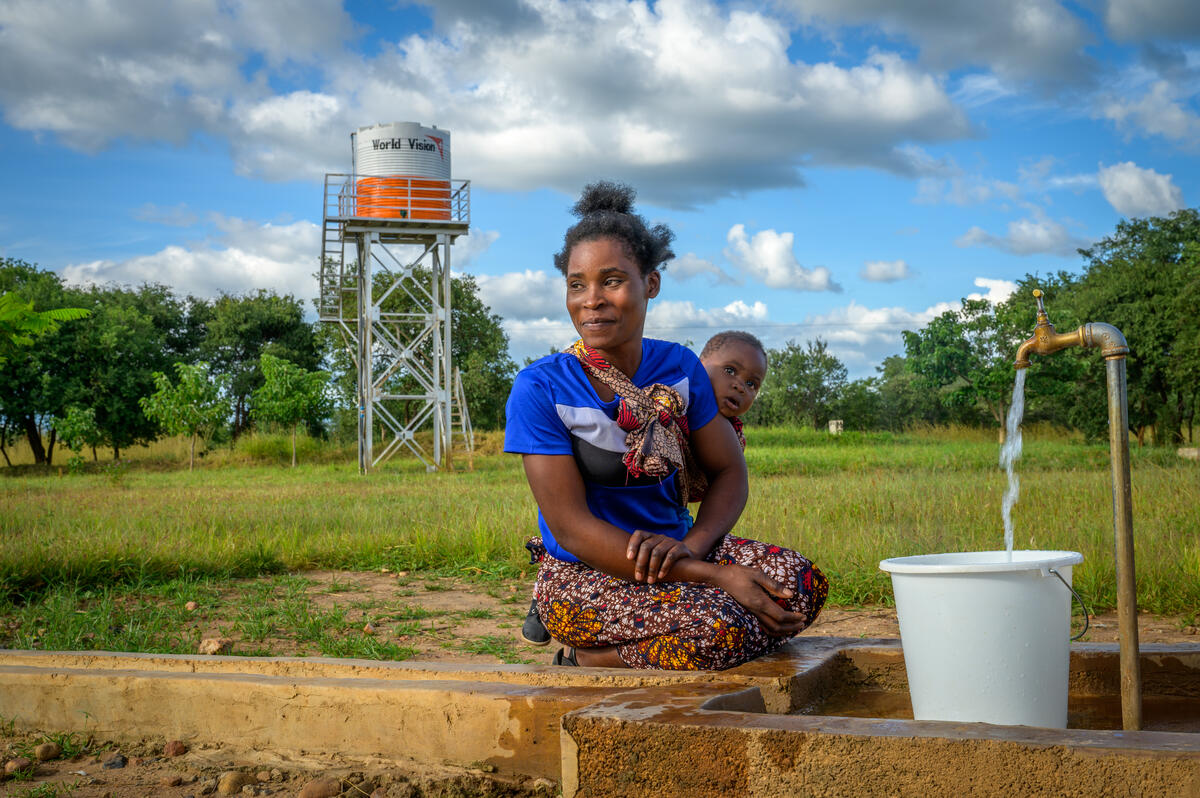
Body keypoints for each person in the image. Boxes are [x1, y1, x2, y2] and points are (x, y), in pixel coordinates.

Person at [505, 181, 827, 669]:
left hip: (680, 551)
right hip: (586, 574)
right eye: (577, 284)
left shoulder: (678, 367)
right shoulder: (542, 387)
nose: (591, 299)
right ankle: (585, 657)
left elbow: (729, 472)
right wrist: (712, 575)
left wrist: (691, 545)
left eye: (611, 280)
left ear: (650, 285)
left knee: (800, 584)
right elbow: (571, 529)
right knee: (719, 623)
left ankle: (649, 648)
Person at [699, 330, 768, 451]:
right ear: (700, 364)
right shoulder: (673, 408)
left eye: (751, 384)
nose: (741, 387)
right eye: (730, 370)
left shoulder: (736, 437)